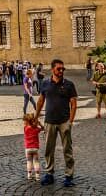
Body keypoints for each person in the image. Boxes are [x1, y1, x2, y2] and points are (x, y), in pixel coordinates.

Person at [35, 59, 77, 187]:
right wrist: (36, 117)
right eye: (59, 69)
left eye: (62, 69)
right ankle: (49, 173)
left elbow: (74, 104)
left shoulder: (69, 84)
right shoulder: (46, 83)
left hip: (64, 121)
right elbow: (41, 101)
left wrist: (70, 121)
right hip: (49, 121)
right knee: (49, 149)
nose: (61, 71)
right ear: (52, 69)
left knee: (67, 150)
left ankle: (69, 175)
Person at [23, 113, 43, 181]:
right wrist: (39, 124)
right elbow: (43, 128)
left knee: (29, 161)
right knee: (36, 161)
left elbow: (26, 125)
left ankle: (29, 174)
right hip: (35, 148)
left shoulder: (25, 128)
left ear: (26, 121)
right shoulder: (36, 129)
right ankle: (37, 175)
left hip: (28, 148)